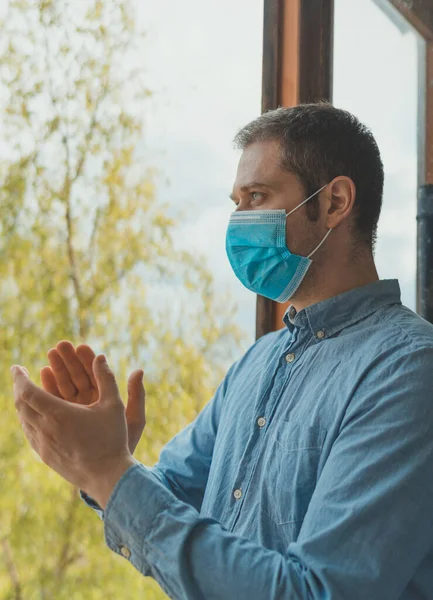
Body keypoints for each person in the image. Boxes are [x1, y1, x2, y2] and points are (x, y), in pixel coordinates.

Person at [12, 103, 433, 599]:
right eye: (236, 201)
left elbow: (318, 592)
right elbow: (167, 496)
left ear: (336, 202)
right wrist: (103, 457)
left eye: (257, 196)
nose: (238, 221)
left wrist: (109, 471)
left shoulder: (408, 372)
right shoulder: (258, 363)